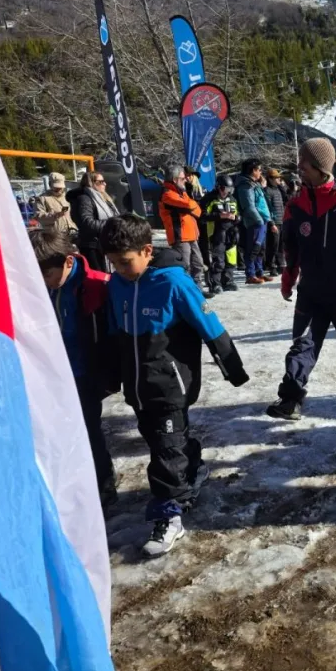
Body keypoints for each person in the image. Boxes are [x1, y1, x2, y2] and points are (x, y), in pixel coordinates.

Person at [101, 214, 249, 556]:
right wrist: (112, 373)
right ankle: (192, 468)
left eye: (125, 262)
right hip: (137, 386)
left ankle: (169, 513)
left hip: (170, 383)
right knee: (160, 440)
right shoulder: (117, 284)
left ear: (147, 250)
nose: (119, 269)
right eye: (113, 264)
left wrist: (232, 366)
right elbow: (114, 332)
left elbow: (208, 322)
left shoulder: (173, 283)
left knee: (166, 451)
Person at [267, 138, 336, 420]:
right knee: (302, 345)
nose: (299, 167)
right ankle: (291, 399)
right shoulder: (295, 205)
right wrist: (288, 279)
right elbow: (290, 248)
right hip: (310, 292)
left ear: (319, 165)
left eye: (304, 162)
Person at [30, 228, 117, 506]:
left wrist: (107, 376)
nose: (43, 281)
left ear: (68, 261)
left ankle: (103, 490)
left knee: (88, 431)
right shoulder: (40, 287)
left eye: (46, 275)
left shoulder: (97, 286)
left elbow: (112, 336)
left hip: (84, 375)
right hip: (50, 375)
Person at [159, 164, 206, 288]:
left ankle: (197, 290)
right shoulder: (167, 194)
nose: (185, 179)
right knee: (185, 265)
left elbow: (198, 211)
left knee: (198, 263)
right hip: (179, 236)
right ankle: (185, 291)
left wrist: (191, 205)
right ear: (174, 179)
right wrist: (191, 205)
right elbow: (190, 206)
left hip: (191, 234)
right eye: (182, 178)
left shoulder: (181, 192)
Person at [68, 170, 119, 272]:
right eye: (101, 181)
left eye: (104, 181)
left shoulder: (103, 197)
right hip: (92, 246)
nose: (105, 183)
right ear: (91, 182)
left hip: (105, 242)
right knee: (99, 277)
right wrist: (112, 224)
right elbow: (86, 223)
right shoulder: (84, 199)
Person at [235, 159, 272, 284]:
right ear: (253, 170)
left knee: (261, 248)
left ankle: (259, 272)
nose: (261, 172)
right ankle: (250, 274)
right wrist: (259, 220)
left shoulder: (254, 183)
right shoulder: (245, 184)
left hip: (262, 220)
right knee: (253, 248)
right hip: (255, 221)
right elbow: (248, 205)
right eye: (259, 169)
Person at [200, 175, 239, 295]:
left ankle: (228, 281)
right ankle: (215, 284)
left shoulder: (232, 199)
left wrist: (235, 218)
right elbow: (202, 216)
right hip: (216, 233)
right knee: (218, 259)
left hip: (231, 233)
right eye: (223, 189)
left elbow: (239, 215)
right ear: (218, 187)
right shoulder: (210, 198)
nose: (225, 192)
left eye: (228, 189)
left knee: (231, 258)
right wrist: (219, 216)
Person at [263, 169, 287, 277]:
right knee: (273, 245)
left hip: (281, 220)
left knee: (281, 245)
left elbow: (286, 198)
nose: (279, 179)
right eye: (277, 178)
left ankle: (280, 263)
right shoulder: (267, 191)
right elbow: (268, 208)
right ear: (270, 179)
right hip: (274, 221)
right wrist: (271, 223)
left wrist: (282, 186)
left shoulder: (278, 190)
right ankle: (271, 265)